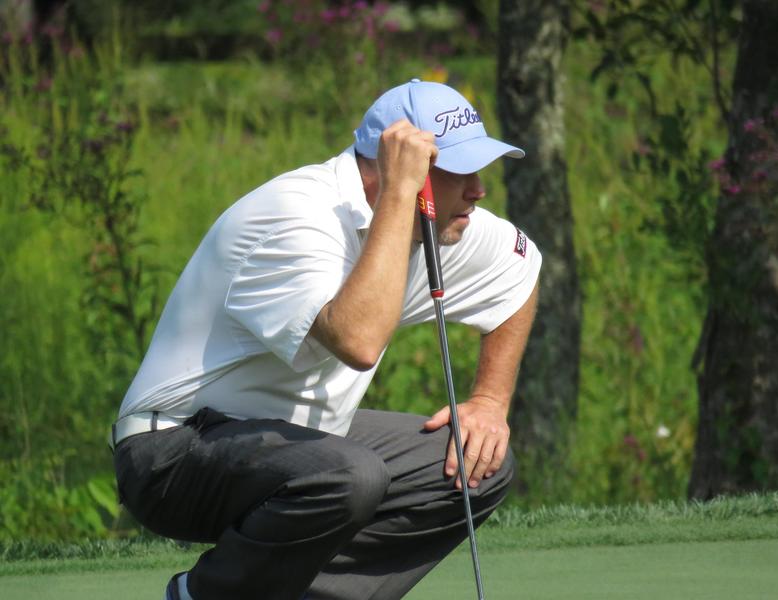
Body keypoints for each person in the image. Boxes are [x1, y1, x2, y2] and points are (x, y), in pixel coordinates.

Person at [110, 78, 541, 600]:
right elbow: (358, 341)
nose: (478, 189)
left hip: (300, 446)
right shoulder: (296, 216)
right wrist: (399, 195)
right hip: (169, 451)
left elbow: (520, 268)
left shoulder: (444, 221)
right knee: (347, 476)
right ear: (399, 170)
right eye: (458, 171)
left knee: (474, 464)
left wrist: (490, 402)